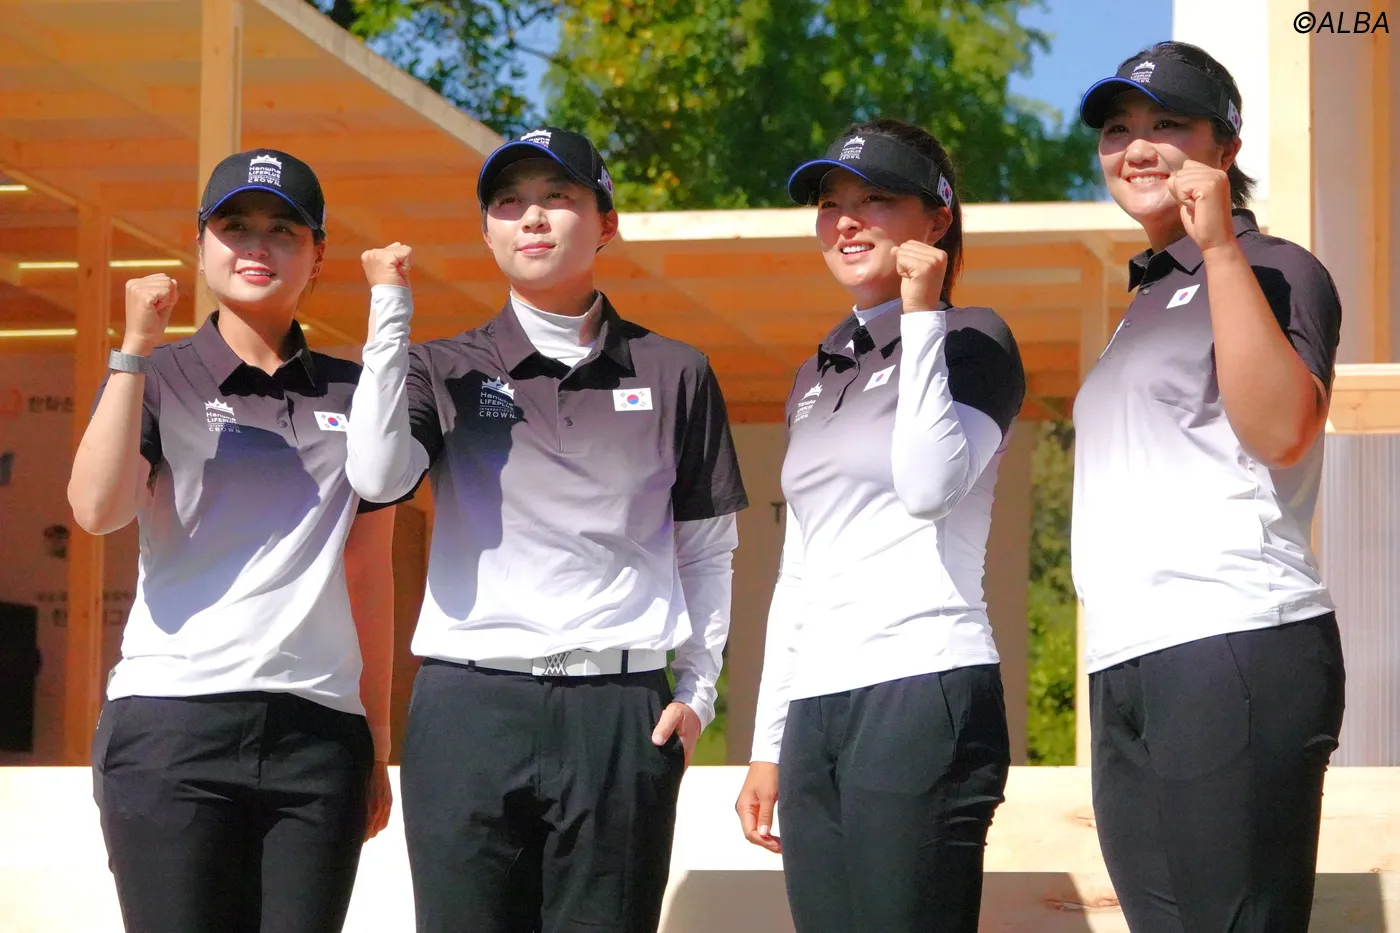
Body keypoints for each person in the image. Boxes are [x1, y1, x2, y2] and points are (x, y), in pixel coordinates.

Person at [345, 127, 748, 933]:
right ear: (487, 231)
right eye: (509, 202)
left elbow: (707, 550)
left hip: (620, 711)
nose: (531, 217)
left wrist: (697, 692)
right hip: (468, 706)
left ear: (606, 223)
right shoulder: (439, 367)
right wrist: (389, 315)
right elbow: (377, 476)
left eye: (557, 197)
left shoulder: (676, 371)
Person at [70, 149, 395, 933]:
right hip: (172, 730)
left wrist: (376, 737)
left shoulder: (358, 391)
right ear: (202, 243)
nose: (257, 245)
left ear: (318, 254)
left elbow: (368, 570)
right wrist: (132, 348)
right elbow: (96, 508)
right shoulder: (158, 374)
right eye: (236, 225)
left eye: (283, 229)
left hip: (318, 736)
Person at [1073, 41, 1346, 933]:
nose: (1137, 147)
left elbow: (1283, 428)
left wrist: (1220, 245)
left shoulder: (1274, 266)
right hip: (1127, 657)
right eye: (1118, 129)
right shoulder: (1143, 301)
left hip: (1233, 637)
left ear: (1225, 147)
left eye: (1167, 125)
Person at [735, 119, 1026, 933]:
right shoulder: (816, 368)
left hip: (921, 683)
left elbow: (930, 486)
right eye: (831, 203)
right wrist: (768, 740)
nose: (846, 221)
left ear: (938, 218)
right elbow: (800, 566)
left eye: (876, 200)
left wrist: (922, 314)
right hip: (816, 706)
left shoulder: (975, 337)